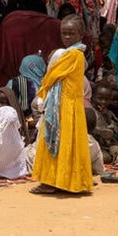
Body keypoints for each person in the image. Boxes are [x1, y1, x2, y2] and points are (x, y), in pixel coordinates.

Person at [31, 15, 93, 195]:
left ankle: (51, 182)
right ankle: (66, 181)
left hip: (65, 105)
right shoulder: (72, 53)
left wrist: (43, 90)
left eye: (71, 33)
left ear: (80, 34)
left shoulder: (73, 54)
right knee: (66, 142)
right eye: (64, 33)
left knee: (57, 141)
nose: (66, 37)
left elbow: (51, 76)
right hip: (64, 104)